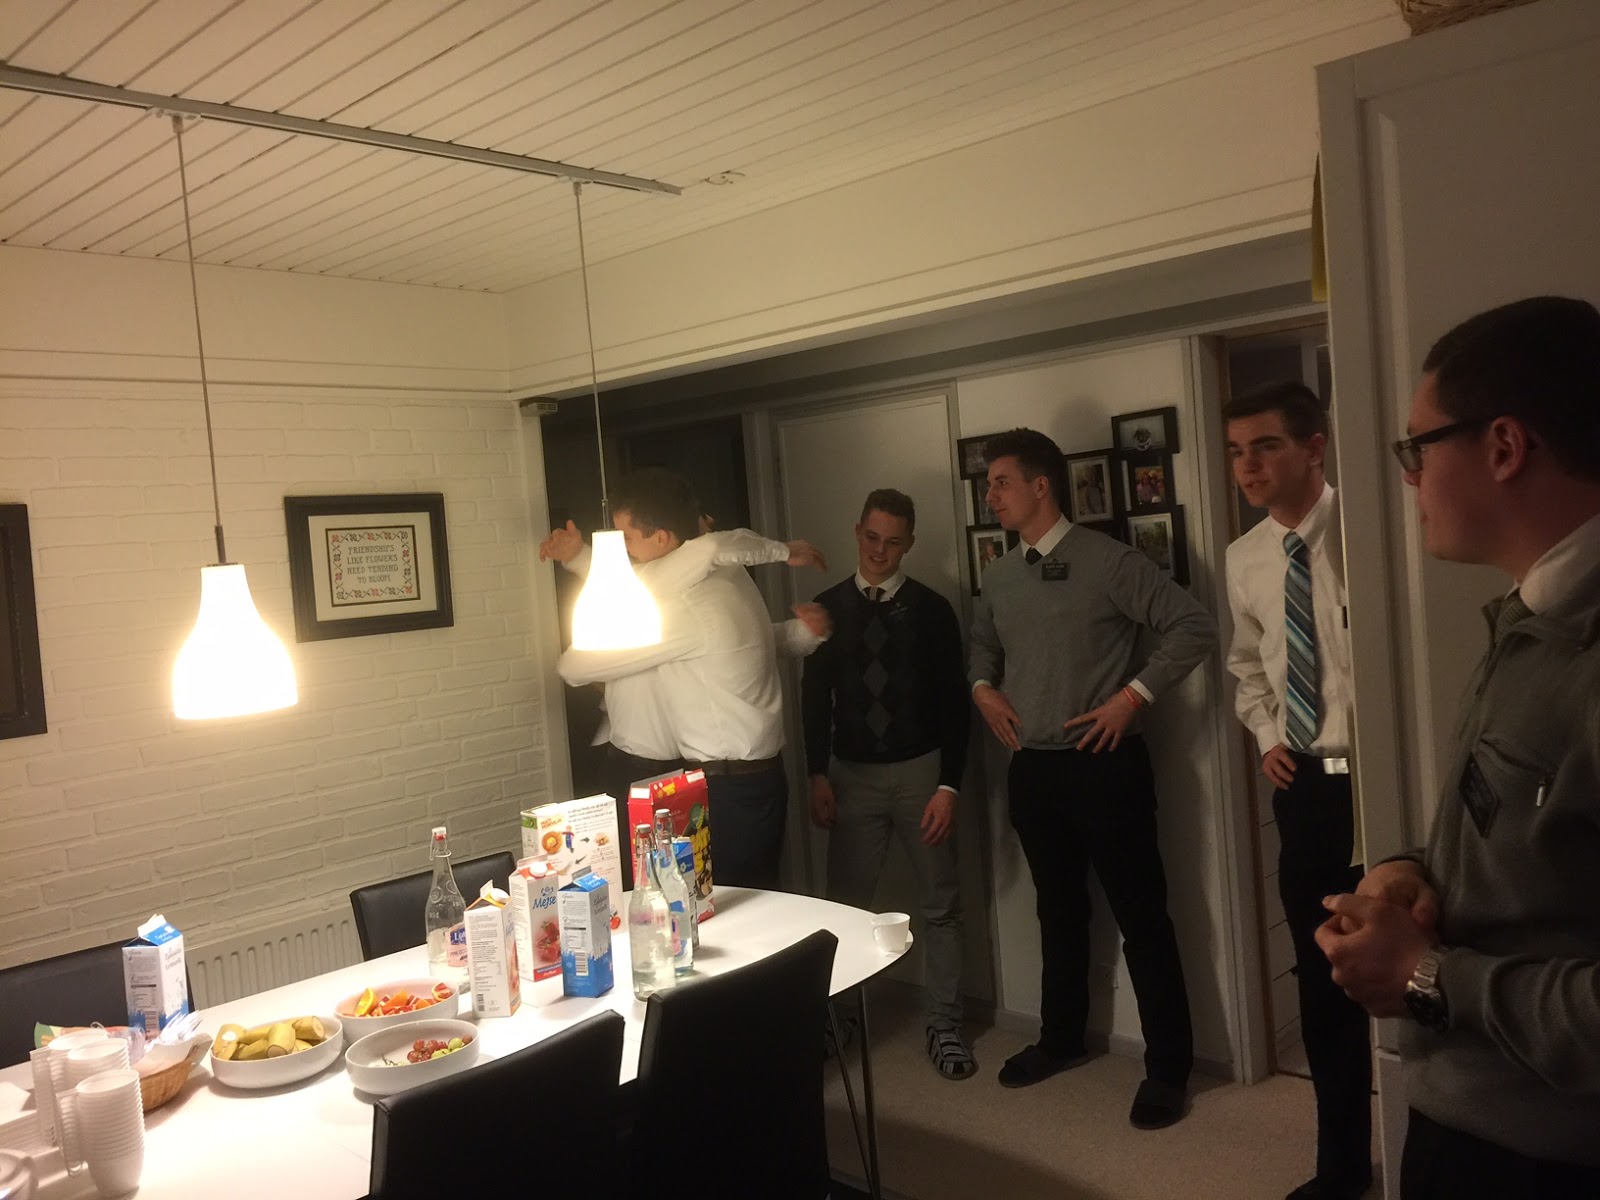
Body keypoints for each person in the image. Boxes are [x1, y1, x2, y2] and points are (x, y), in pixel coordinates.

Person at [1315, 296, 1600, 1198]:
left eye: (1418, 448)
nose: (1410, 479)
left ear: (1504, 447)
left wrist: (1427, 974)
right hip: (1473, 1122)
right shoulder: (1532, 613)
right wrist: (1416, 870)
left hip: (1544, 1159)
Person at [969, 427, 1216, 1129]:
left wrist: (1132, 697)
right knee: (1057, 911)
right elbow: (982, 646)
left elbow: (1192, 626)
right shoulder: (1000, 575)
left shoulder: (1109, 561)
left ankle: (1167, 1067)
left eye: (1001, 482)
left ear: (1041, 485)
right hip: (1033, 769)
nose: (991, 496)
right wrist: (982, 689)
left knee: (1143, 917)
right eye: (988, 485)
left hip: (1106, 766)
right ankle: (1061, 1038)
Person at [542, 467, 830, 890]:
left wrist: (783, 553)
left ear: (662, 539)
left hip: (727, 788)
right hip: (750, 779)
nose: (620, 551)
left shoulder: (681, 611)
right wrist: (803, 632)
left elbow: (573, 667)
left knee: (729, 903)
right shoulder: (728, 577)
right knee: (750, 897)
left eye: (626, 539)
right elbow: (734, 636)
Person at [1223, 382, 1371, 1200]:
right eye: (1236, 451)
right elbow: (1247, 663)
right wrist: (1268, 735)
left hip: (1384, 779)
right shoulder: (1243, 558)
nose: (1247, 465)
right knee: (1322, 978)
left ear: (1314, 448)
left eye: (1265, 446)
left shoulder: (1368, 530)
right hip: (1309, 788)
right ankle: (1340, 1170)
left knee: (1418, 964)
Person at [801, 489, 974, 1080]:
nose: (880, 551)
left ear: (909, 544)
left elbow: (955, 705)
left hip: (922, 772)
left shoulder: (932, 610)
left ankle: (944, 1024)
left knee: (941, 903)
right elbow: (813, 699)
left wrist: (950, 786)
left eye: (893, 541)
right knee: (845, 910)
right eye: (872, 537)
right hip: (850, 776)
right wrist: (816, 773)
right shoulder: (827, 609)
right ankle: (841, 1020)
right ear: (858, 532)